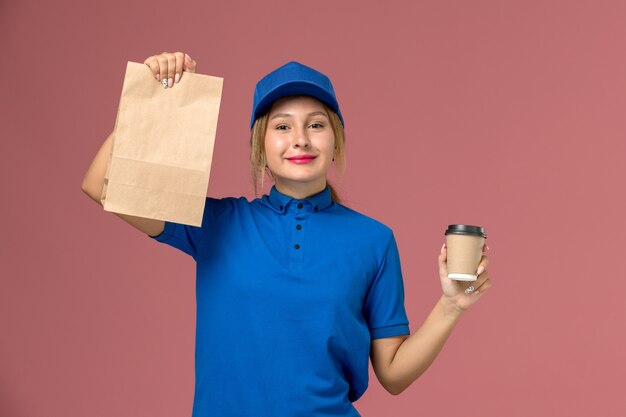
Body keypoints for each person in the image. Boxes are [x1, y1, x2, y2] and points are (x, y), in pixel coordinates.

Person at [81, 51, 492, 417]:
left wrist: (451, 306)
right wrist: (150, 100)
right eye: (282, 127)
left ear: (336, 142)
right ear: (261, 144)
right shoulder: (216, 223)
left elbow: (394, 375)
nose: (300, 139)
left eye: (315, 125)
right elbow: (101, 185)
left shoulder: (374, 240)